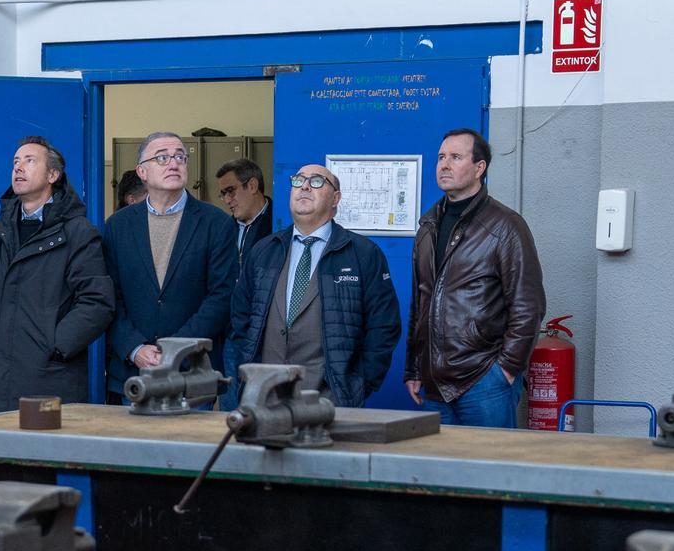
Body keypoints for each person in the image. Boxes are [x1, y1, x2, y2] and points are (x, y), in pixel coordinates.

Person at [405, 128, 545, 427]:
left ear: (479, 168)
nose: (444, 165)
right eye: (441, 157)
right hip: (434, 384)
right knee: (440, 473)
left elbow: (528, 305)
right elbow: (421, 303)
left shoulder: (506, 226)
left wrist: (506, 369)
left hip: (483, 381)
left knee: (491, 471)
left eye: (456, 157)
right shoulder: (428, 226)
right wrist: (414, 369)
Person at [232, 162, 401, 407]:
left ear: (336, 198)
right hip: (264, 397)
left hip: (330, 401)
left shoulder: (363, 254)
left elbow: (384, 326)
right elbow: (240, 319)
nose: (305, 187)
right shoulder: (264, 251)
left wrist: (359, 384)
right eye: (298, 180)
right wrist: (245, 369)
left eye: (317, 182)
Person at [0, 136, 115, 413]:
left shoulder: (78, 232)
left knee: (44, 455)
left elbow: (97, 303)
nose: (18, 168)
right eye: (15, 162)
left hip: (52, 380)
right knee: (2, 455)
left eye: (29, 161)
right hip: (0, 383)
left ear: (53, 174)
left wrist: (55, 348)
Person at [104, 132, 236, 405]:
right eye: (162, 157)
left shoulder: (217, 223)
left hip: (192, 374)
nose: (173, 163)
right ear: (142, 171)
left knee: (194, 449)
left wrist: (174, 350)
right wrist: (134, 347)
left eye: (179, 156)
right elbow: (108, 296)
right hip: (134, 372)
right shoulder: (118, 225)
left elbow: (221, 297)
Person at [215, 157, 273, 411]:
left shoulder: (278, 224)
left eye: (231, 191)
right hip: (230, 335)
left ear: (252, 185)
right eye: (223, 194)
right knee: (230, 414)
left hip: (265, 336)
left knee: (263, 411)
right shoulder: (223, 229)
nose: (227, 200)